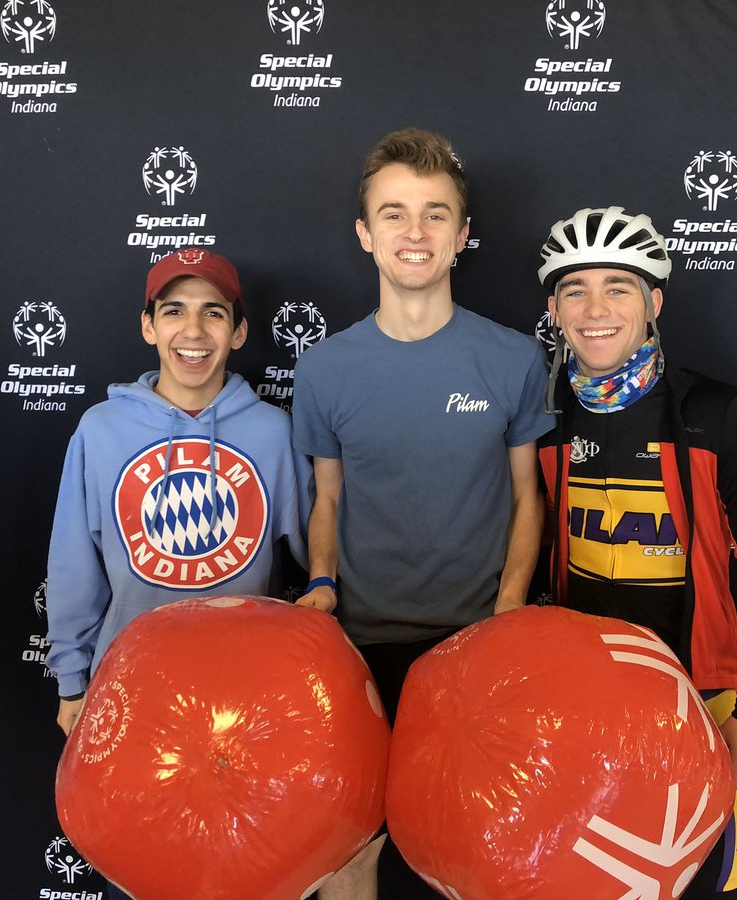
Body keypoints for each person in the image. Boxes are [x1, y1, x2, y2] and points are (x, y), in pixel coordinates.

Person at [292, 128, 554, 898]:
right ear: (365, 234)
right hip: (359, 647)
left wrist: (508, 610)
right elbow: (327, 496)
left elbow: (527, 495)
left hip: (476, 646)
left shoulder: (513, 358)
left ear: (462, 234)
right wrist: (321, 583)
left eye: (436, 214)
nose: (416, 232)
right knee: (348, 852)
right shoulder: (325, 368)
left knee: (481, 851)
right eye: (395, 213)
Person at [535, 206, 737, 895]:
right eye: (575, 290)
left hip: (702, 697)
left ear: (653, 302)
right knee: (591, 873)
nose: (595, 309)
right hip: (588, 694)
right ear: (554, 310)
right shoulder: (543, 415)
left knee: (697, 875)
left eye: (617, 288)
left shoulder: (716, 411)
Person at [45, 248, 311, 739]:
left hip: (244, 683)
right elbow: (73, 563)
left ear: (238, 332)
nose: (193, 331)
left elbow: (321, 552)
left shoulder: (272, 432)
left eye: (213, 312)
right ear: (148, 327)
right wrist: (71, 680)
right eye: (174, 311)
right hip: (131, 679)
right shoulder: (100, 430)